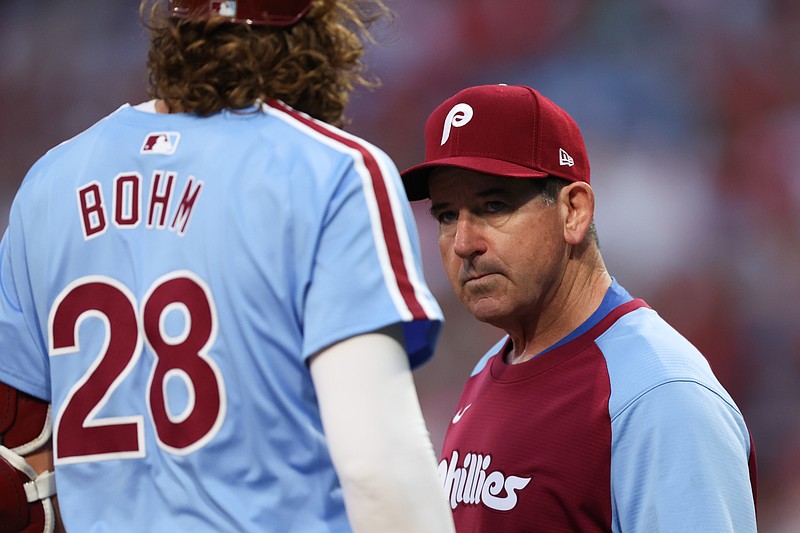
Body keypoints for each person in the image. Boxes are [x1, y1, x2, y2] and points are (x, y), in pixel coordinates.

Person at [0, 1, 456, 531]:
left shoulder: (49, 182)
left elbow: (22, 448)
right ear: (316, 35)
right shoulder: (330, 169)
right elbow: (378, 468)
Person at [400, 83, 758, 532]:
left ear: (574, 211)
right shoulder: (488, 369)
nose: (464, 243)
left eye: (494, 205)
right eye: (447, 215)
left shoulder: (659, 393)